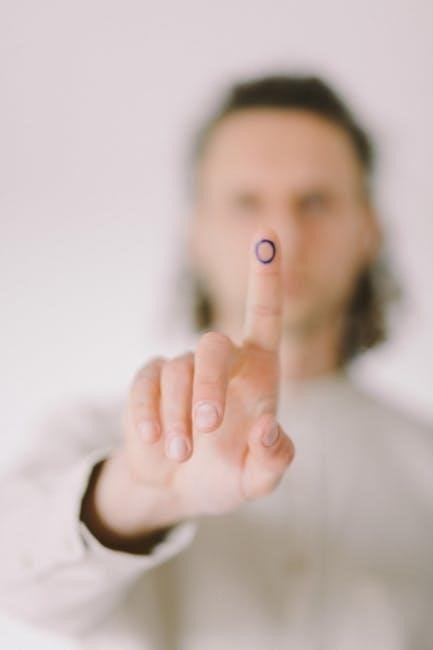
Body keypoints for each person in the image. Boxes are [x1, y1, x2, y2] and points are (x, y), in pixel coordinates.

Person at [1, 74, 432, 650]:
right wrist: (143, 491)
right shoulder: (93, 435)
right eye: (245, 201)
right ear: (196, 233)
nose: (283, 234)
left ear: (367, 231)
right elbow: (15, 578)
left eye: (316, 202)